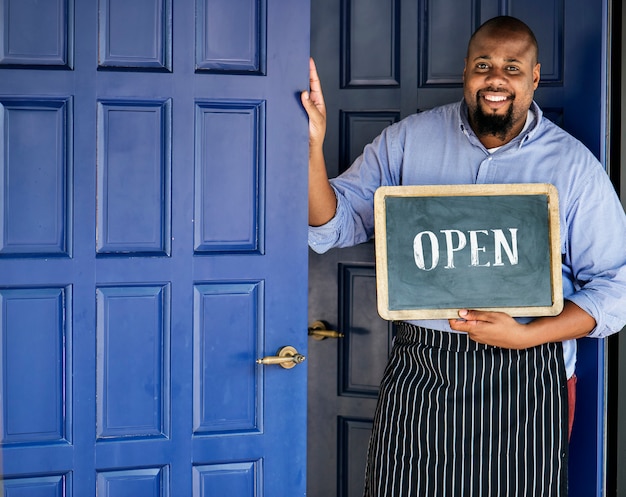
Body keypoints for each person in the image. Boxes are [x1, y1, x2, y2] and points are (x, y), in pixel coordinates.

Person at [301, 16, 626, 497]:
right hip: (423, 374)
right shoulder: (407, 141)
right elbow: (333, 225)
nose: (497, 78)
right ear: (466, 73)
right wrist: (311, 148)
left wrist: (526, 335)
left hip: (528, 377)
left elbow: (615, 291)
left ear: (534, 78)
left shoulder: (573, 167)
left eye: (513, 67)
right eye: (484, 65)